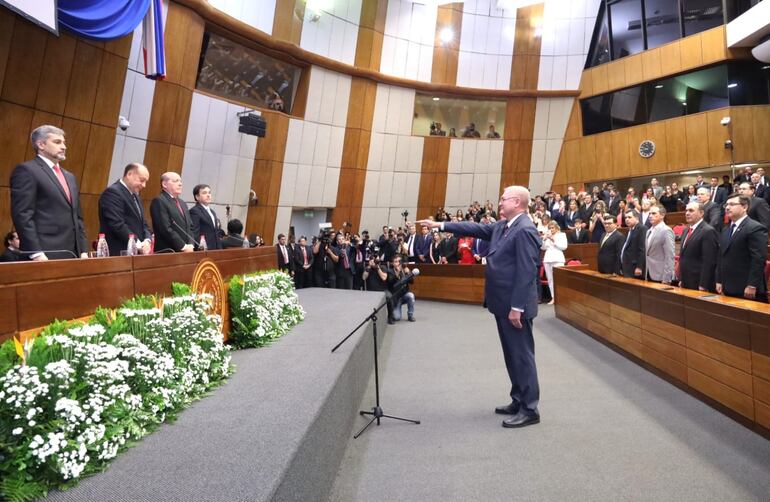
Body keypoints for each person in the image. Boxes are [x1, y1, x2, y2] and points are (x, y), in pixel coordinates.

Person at [417, 185, 542, 429]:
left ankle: (530, 409)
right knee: (511, 355)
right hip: (501, 303)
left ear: (517, 202)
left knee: (522, 356)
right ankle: (518, 399)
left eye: (504, 199)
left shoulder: (525, 229)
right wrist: (440, 225)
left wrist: (517, 306)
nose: (500, 202)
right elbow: (474, 228)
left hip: (514, 306)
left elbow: (527, 270)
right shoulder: (504, 226)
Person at [10, 125, 89, 260]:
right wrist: (35, 253)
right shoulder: (27, 171)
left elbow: (77, 217)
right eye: (57, 142)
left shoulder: (69, 176)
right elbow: (22, 215)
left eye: (64, 142)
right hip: (44, 253)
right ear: (41, 144)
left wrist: (83, 250)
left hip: (73, 254)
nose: (64, 147)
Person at [716, 194, 768, 301]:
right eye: (726, 204)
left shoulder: (755, 228)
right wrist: (719, 280)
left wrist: (752, 285)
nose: (727, 207)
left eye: (732, 204)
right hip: (728, 286)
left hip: (747, 287)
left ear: (744, 207)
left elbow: (758, 259)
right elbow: (721, 256)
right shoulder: (726, 230)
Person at [98, 163, 152, 256]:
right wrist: (138, 245)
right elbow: (117, 224)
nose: (144, 185)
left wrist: (147, 241)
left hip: (136, 254)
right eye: (142, 180)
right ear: (129, 174)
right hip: (119, 252)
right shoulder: (113, 192)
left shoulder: (136, 196)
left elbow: (143, 223)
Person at [149, 172, 195, 253]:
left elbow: (190, 227)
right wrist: (183, 246)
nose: (180, 184)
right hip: (169, 251)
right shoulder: (159, 201)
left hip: (187, 251)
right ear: (164, 184)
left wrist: (191, 244)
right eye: (176, 181)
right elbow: (165, 228)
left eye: (180, 181)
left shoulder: (183, 203)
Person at [678, 202, 718, 292]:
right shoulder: (686, 230)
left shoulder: (708, 231)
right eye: (686, 211)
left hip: (698, 282)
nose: (687, 213)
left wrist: (704, 284)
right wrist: (681, 278)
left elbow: (709, 260)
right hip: (686, 280)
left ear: (701, 213)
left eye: (691, 210)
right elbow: (683, 256)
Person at [644, 205, 675, 284]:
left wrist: (667, 277)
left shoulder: (666, 231)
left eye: (654, 213)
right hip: (648, 273)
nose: (650, 216)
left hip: (661, 275)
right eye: (649, 213)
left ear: (662, 215)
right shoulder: (648, 231)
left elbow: (670, 256)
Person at [189, 184, 223, 250]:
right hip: (204, 249)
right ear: (197, 197)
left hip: (217, 248)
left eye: (209, 193)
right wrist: (199, 248)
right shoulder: (194, 211)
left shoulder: (212, 212)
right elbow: (195, 233)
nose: (208, 195)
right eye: (204, 193)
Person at [541, 221, 567, 305]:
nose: (551, 229)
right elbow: (543, 248)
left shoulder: (561, 235)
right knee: (550, 279)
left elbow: (564, 247)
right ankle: (553, 297)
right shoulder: (547, 235)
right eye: (550, 228)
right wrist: (544, 239)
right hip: (548, 259)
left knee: (559, 279)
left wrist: (553, 239)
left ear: (556, 228)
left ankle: (561, 297)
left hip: (558, 258)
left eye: (553, 228)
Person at [387, 254, 416, 323]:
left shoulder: (404, 270)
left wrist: (409, 273)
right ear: (393, 263)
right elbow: (391, 283)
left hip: (404, 295)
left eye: (399, 261)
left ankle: (410, 315)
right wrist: (397, 273)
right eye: (396, 261)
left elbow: (412, 282)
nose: (398, 263)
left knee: (411, 296)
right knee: (397, 317)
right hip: (396, 298)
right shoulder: (390, 271)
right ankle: (396, 309)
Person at [621, 210, 647, 279]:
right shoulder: (629, 230)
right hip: (627, 266)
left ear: (637, 218)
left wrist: (639, 267)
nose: (627, 219)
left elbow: (642, 249)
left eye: (629, 217)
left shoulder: (642, 229)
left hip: (635, 267)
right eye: (626, 217)